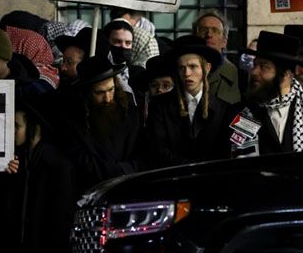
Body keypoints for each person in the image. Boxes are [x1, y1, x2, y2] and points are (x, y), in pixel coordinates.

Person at [3, 101, 76, 253]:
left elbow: (61, 222)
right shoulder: (19, 162)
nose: (11, 132)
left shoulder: (58, 166)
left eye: (17, 126)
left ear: (35, 127)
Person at [232, 31, 303, 156]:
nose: (254, 72)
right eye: (255, 65)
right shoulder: (240, 113)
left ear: (285, 74)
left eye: (263, 66)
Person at [143, 36, 232, 168]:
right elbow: (157, 149)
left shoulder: (223, 109)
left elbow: (224, 152)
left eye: (193, 66)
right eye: (181, 68)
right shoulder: (159, 105)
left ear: (206, 68)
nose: (187, 73)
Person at [60, 56, 142, 194]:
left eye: (111, 90)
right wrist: (115, 172)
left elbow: (142, 148)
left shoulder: (128, 108)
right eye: (99, 93)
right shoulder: (72, 118)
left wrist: (126, 170)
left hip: (130, 183)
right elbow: (81, 159)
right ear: (86, 93)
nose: (108, 98)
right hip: (92, 189)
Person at [192, 11, 241, 104]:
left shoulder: (239, 76)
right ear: (194, 37)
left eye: (215, 31)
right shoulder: (181, 72)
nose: (209, 35)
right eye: (203, 30)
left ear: (224, 42)